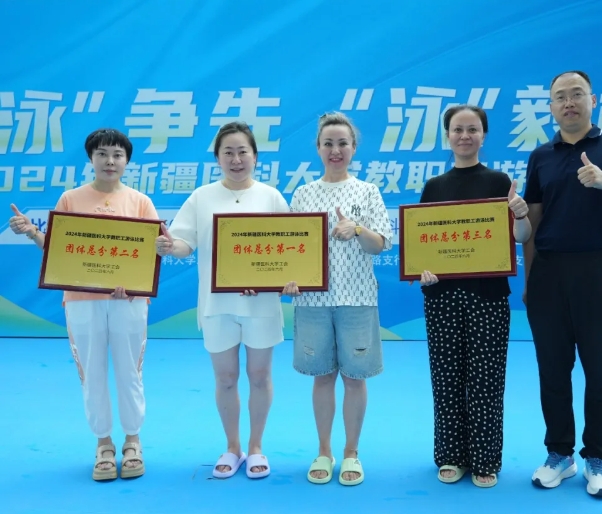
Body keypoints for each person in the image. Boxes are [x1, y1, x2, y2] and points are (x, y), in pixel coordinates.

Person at [523, 70, 602, 498]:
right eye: (560, 96)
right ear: (551, 107)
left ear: (592, 100)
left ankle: (597, 459)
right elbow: (532, 225)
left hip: (601, 270)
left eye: (576, 94)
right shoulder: (541, 156)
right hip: (549, 274)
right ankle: (559, 454)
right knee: (552, 369)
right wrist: (530, 278)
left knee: (601, 370)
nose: (569, 102)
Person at [8, 128, 157, 481]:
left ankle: (133, 440)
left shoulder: (140, 202)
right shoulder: (71, 199)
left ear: (127, 161)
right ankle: (103, 443)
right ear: (91, 158)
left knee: (130, 371)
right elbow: (59, 249)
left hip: (127, 300)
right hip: (81, 300)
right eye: (102, 154)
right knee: (91, 371)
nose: (110, 161)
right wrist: (32, 232)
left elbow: (152, 252)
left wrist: (135, 283)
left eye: (117, 155)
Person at [155, 121, 288, 480]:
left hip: (261, 304)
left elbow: (290, 249)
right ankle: (232, 447)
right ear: (217, 158)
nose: (236, 159)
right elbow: (184, 243)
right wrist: (168, 246)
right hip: (217, 304)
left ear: (255, 156)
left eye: (243, 151)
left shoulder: (271, 197)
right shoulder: (202, 197)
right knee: (226, 377)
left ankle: (256, 447)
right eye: (228, 152)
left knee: (259, 375)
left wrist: (274, 279)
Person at [413, 105, 532, 488]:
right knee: (446, 377)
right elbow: (421, 244)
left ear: (484, 135)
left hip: (488, 296)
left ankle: (484, 458)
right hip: (441, 297)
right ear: (447, 135)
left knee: (486, 380)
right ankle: (450, 455)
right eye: (457, 129)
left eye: (472, 129)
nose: (465, 136)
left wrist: (520, 214)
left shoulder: (499, 182)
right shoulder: (434, 187)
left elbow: (521, 237)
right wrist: (422, 272)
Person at [280, 112, 392, 486]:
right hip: (312, 302)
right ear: (318, 148)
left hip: (357, 299)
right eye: (328, 143)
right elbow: (292, 248)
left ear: (353, 148)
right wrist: (289, 279)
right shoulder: (303, 194)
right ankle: (324, 451)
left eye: (343, 143)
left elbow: (379, 245)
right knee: (323, 377)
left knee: (355, 378)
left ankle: (351, 453)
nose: (335, 150)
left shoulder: (368, 192)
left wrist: (356, 228)